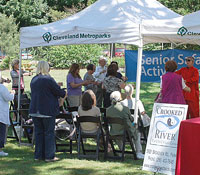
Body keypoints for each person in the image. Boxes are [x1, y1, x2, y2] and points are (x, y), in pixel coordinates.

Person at [29, 61, 67, 162]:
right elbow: (60, 93)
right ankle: (49, 156)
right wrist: (63, 92)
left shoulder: (34, 79)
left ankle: (38, 155)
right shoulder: (48, 79)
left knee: (39, 133)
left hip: (35, 109)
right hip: (47, 110)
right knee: (49, 133)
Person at [106, 91, 144, 159]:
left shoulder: (108, 110)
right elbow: (131, 119)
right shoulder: (125, 109)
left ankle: (121, 151)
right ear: (120, 98)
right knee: (137, 132)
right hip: (125, 132)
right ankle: (139, 152)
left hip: (113, 132)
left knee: (118, 130)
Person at [0, 77, 15, 156]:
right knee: (1, 131)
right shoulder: (2, 87)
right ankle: (0, 150)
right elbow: (8, 97)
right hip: (1, 112)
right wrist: (12, 93)